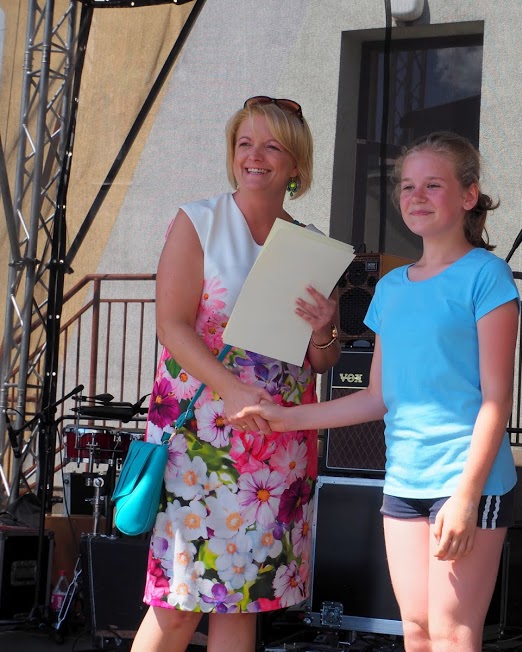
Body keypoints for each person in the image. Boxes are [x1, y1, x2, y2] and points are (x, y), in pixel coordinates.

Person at [239, 131, 520, 652]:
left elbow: (496, 400)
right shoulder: (391, 287)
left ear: (468, 196)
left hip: (467, 482)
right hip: (404, 480)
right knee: (416, 630)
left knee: (454, 633)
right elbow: (376, 397)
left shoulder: (487, 274)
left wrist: (466, 496)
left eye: (432, 184)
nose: (416, 196)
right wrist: (284, 417)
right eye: (407, 185)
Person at [131, 96, 340, 652]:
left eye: (272, 146)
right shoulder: (198, 221)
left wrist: (325, 327)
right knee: (177, 603)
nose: (255, 156)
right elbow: (172, 325)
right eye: (245, 143)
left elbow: (321, 361)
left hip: (276, 445)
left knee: (244, 602)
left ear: (295, 164)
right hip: (199, 440)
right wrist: (231, 387)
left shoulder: (313, 244)